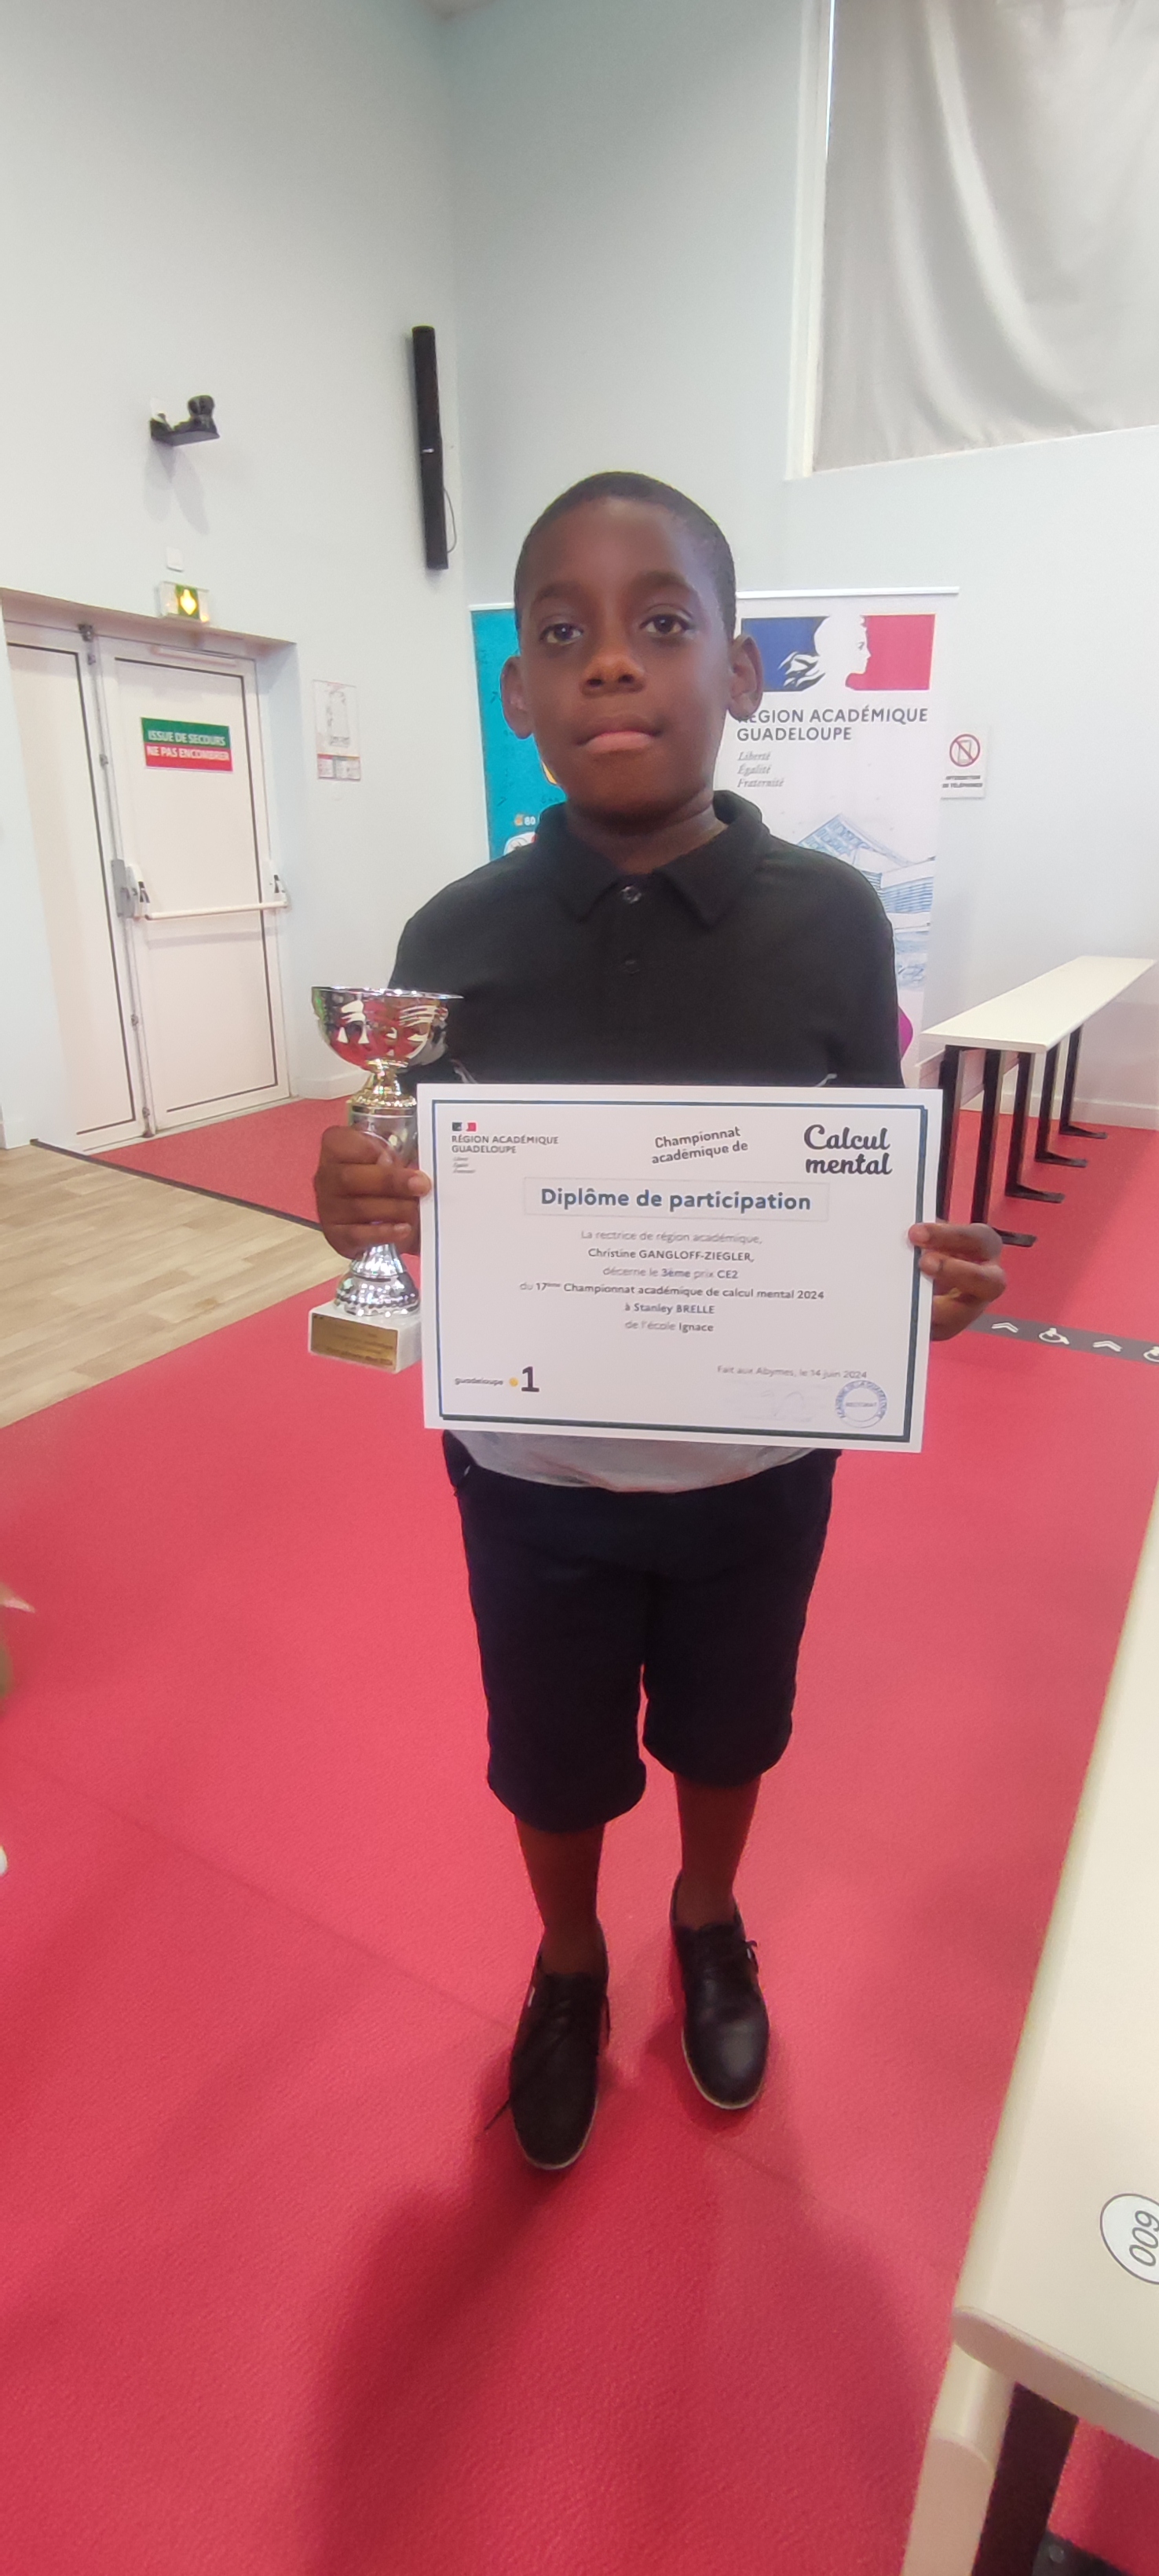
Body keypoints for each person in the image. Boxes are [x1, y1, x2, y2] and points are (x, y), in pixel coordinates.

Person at [313, 471, 1005, 2173]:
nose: (612, 661)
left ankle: (706, 1917)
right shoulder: (453, 936)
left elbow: (870, 1169)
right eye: (565, 633)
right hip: (529, 1465)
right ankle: (568, 1959)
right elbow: (402, 1165)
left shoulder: (829, 919)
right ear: (518, 692)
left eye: (663, 623)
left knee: (728, 1728)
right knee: (549, 1761)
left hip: (755, 1467)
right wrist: (360, 1203)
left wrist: (924, 1279)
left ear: (743, 671)